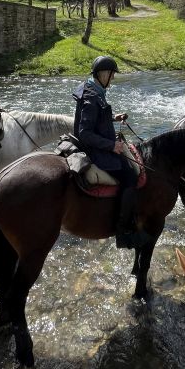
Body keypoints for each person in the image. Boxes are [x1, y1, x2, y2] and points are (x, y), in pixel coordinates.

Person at [72, 55, 137, 248]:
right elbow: (84, 133)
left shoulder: (93, 88)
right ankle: (123, 230)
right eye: (112, 74)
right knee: (130, 176)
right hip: (96, 150)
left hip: (98, 145)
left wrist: (113, 119)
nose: (113, 78)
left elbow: (95, 120)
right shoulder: (92, 97)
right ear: (103, 74)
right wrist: (112, 146)